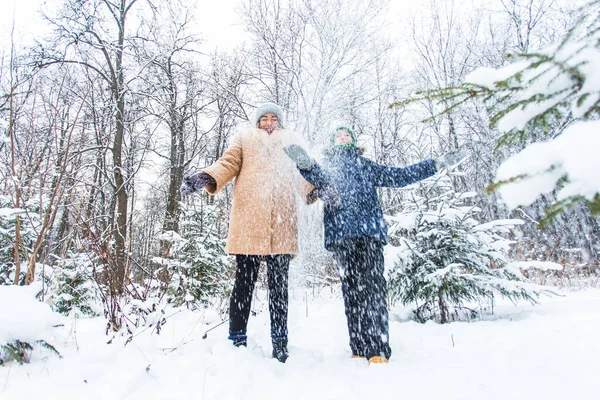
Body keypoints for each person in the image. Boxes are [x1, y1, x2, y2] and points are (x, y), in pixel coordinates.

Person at [283, 126, 463, 364]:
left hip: (369, 235)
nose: (343, 137)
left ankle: (378, 348)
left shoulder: (366, 166)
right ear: (332, 143)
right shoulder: (329, 167)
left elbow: (400, 176)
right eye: (338, 136)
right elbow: (316, 177)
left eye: (347, 135)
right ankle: (358, 345)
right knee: (352, 291)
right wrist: (305, 164)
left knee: (374, 290)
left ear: (354, 141)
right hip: (341, 237)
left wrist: (434, 165)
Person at [180, 103, 315, 363]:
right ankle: (236, 337)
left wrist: (314, 190)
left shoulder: (290, 140)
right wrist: (205, 177)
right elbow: (228, 163)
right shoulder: (244, 138)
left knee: (279, 287)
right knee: (244, 284)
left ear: (279, 121)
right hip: (249, 221)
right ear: (257, 122)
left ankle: (280, 341)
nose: (268, 122)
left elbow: (302, 171)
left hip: (281, 222)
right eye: (264, 118)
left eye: (273, 118)